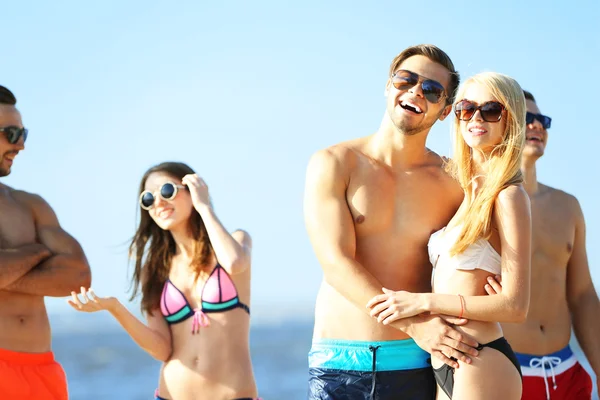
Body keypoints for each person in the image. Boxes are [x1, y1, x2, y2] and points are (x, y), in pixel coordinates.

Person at [303, 44, 482, 400]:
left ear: (445, 111)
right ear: (389, 86)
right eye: (407, 79)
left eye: (432, 90)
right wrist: (415, 325)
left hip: (420, 360)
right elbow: (336, 263)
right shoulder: (336, 162)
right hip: (341, 362)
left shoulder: (456, 180)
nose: (417, 91)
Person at [367, 72, 530, 400]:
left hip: (479, 356)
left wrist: (422, 302)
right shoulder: (467, 192)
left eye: (491, 110)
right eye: (467, 108)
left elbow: (515, 306)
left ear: (510, 120)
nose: (476, 118)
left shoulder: (507, 196)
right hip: (447, 358)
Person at [69, 161, 260, 400]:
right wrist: (114, 308)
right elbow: (162, 349)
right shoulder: (155, 269)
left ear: (192, 189)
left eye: (167, 191)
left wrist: (203, 206)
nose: (158, 202)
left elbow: (233, 263)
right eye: (148, 199)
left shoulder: (236, 241)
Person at [484, 90, 599, 400]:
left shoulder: (567, 206)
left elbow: (583, 294)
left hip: (568, 372)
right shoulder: (481, 204)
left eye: (542, 120)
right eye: (527, 119)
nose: (537, 126)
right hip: (507, 372)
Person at [0, 84, 92, 399]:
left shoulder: (30, 205)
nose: (21, 145)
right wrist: (40, 253)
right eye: (11, 134)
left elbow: (79, 276)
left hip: (42, 370)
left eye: (23, 134)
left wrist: (11, 266)